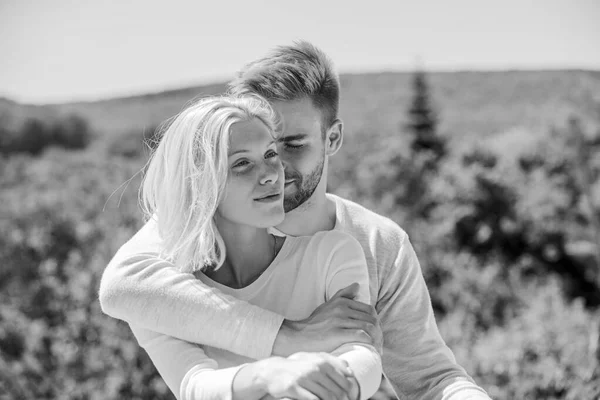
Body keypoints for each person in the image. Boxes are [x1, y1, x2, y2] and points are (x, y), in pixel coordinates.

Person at [99, 41, 491, 400]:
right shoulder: (186, 240)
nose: (276, 170)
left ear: (332, 139)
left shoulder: (371, 243)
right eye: (242, 158)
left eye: (289, 146)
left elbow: (431, 380)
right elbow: (122, 286)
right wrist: (288, 338)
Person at [123, 94, 382, 400]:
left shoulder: (332, 254)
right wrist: (271, 374)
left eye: (271, 154)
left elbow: (362, 356)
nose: (272, 173)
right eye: (243, 163)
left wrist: (331, 383)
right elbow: (193, 386)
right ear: (201, 183)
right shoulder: (164, 294)